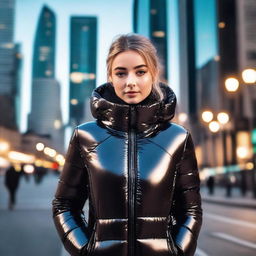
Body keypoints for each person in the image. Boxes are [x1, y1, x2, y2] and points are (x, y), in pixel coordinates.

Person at [52, 33, 202, 256]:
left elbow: (190, 210)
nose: (130, 82)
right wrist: (85, 250)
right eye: (121, 73)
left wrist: (179, 251)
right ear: (110, 77)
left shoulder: (177, 137)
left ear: (153, 74)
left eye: (140, 72)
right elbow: (64, 205)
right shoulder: (85, 136)